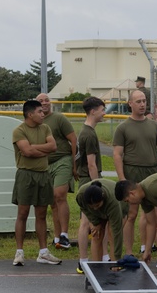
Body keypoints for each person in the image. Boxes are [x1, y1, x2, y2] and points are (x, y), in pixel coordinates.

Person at [113, 89, 157, 258]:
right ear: (130, 103)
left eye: (144, 101)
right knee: (131, 215)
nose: (142, 104)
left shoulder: (154, 125)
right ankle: (129, 253)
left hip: (152, 173)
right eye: (138, 101)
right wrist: (122, 178)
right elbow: (117, 154)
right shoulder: (123, 127)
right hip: (131, 172)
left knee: (156, 214)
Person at [11, 99, 61, 266]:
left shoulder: (45, 127)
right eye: (39, 112)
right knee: (23, 213)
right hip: (26, 175)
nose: (43, 114)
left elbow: (53, 147)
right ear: (30, 114)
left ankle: (43, 252)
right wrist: (39, 150)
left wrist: (35, 149)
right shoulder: (19, 131)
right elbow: (26, 151)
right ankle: (19, 252)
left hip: (43, 174)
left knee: (41, 214)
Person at [38, 93, 78, 251]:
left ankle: (65, 235)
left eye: (47, 100)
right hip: (45, 164)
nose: (44, 103)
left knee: (59, 196)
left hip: (63, 160)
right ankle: (56, 238)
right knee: (52, 201)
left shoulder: (59, 119)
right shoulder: (36, 122)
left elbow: (73, 139)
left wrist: (74, 164)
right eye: (41, 101)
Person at [75, 96, 106, 272]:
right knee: (86, 222)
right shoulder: (89, 134)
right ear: (93, 111)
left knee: (91, 222)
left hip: (85, 179)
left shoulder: (85, 131)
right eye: (102, 110)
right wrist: (97, 185)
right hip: (89, 180)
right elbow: (91, 164)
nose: (104, 113)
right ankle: (83, 260)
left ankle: (98, 257)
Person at [76, 179, 124, 263]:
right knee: (96, 235)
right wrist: (95, 222)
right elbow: (84, 208)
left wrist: (118, 259)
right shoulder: (81, 196)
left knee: (112, 234)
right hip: (97, 210)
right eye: (91, 206)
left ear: (102, 197)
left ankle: (114, 263)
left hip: (119, 205)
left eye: (97, 205)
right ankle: (97, 266)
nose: (95, 208)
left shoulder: (113, 202)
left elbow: (117, 233)